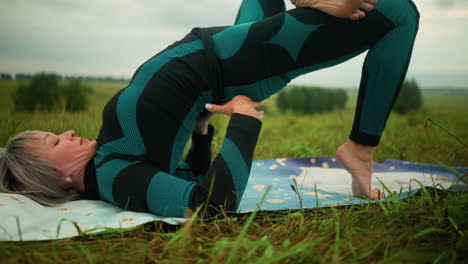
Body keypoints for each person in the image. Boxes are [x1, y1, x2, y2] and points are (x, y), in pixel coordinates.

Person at [0, 0, 419, 217]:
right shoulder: (114, 177)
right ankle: (360, 148)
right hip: (237, 62)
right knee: (399, 12)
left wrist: (201, 131)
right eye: (56, 141)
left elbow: (188, 177)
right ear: (56, 175)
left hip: (221, 52)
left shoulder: (113, 167)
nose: (68, 132)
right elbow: (211, 205)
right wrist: (242, 120)